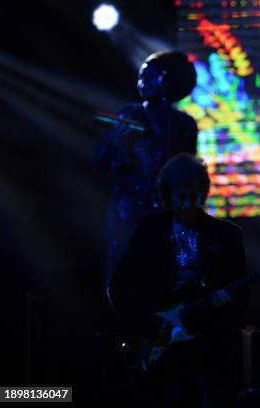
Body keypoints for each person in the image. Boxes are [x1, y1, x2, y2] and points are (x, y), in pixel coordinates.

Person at [108, 153, 246, 406]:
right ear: (166, 195)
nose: (187, 204)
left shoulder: (227, 235)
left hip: (208, 351)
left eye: (193, 196)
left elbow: (241, 298)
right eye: (180, 197)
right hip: (161, 351)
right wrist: (149, 324)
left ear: (203, 193)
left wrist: (222, 309)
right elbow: (118, 287)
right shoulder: (149, 231)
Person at [94, 51, 198, 283]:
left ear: (167, 79)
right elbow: (99, 162)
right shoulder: (129, 115)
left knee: (164, 275)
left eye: (148, 77)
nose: (142, 83)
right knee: (124, 271)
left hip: (166, 211)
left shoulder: (184, 124)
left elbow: (190, 172)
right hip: (129, 208)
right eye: (140, 77)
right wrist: (115, 145)